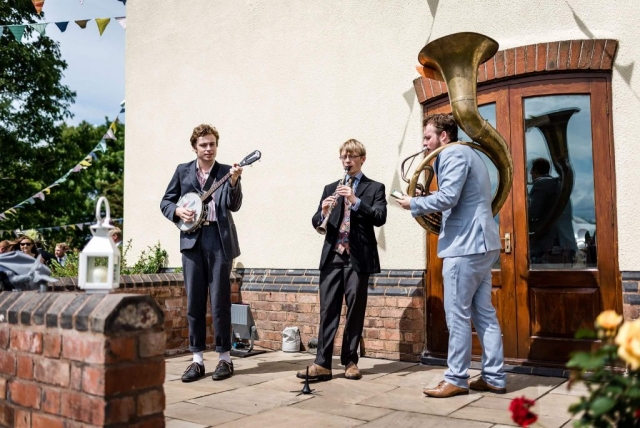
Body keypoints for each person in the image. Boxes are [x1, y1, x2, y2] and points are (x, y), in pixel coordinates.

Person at [396, 113, 506, 398]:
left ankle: (456, 378)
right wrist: (425, 197)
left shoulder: (453, 153)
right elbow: (456, 197)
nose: (424, 144)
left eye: (427, 137)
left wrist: (414, 202)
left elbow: (448, 198)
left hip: (465, 246)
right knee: (484, 314)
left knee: (456, 314)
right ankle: (494, 376)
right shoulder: (467, 154)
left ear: (444, 136)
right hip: (481, 243)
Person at [297, 139, 387, 382]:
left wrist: (356, 201)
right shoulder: (330, 188)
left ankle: (350, 361)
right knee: (328, 310)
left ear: (362, 159)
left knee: (355, 310)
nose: (347, 161)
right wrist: (324, 213)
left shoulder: (375, 188)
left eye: (352, 156)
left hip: (358, 258)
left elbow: (379, 217)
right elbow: (317, 221)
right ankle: (322, 363)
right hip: (332, 256)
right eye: (344, 157)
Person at [160, 124, 243, 383]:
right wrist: (177, 211)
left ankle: (224, 358)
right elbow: (166, 201)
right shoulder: (182, 171)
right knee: (194, 302)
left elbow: (234, 205)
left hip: (218, 240)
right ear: (195, 147)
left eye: (212, 144)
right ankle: (197, 360)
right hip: (191, 242)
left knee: (220, 301)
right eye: (203, 145)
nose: (208, 149)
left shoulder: (225, 172)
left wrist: (234, 181)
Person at [528, 158, 577, 266]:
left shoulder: (542, 185)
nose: (530, 173)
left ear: (536, 171)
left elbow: (532, 214)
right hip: (565, 242)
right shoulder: (558, 184)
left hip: (549, 244)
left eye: (532, 170)